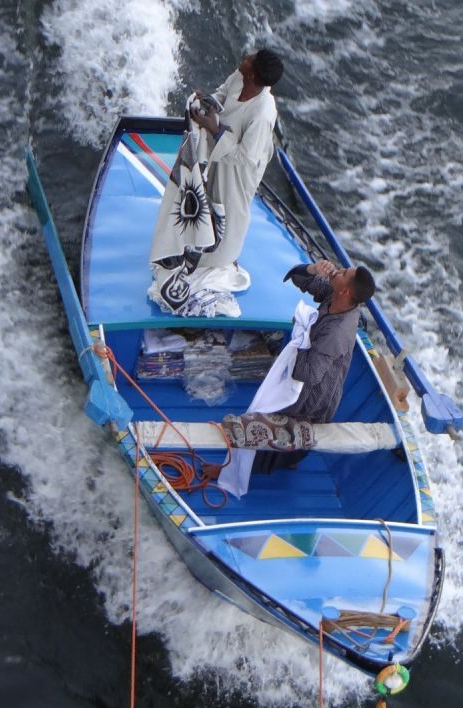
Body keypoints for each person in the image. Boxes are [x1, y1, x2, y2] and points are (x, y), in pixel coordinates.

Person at [217, 258, 378, 497]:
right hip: (309, 377)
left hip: (314, 400)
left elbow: (307, 375)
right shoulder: (335, 297)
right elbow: (297, 278)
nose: (338, 269)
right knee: (280, 430)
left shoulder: (337, 333)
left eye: (343, 272)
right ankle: (289, 458)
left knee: (259, 424)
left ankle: (237, 473)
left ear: (345, 290)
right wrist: (313, 270)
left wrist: (302, 335)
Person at [148, 47, 285, 314]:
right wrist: (206, 102)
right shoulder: (241, 75)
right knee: (205, 195)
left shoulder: (262, 114)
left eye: (250, 60)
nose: (245, 57)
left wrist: (213, 127)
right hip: (218, 152)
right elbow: (222, 93)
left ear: (254, 73)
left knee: (229, 209)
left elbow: (247, 157)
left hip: (239, 171)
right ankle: (195, 237)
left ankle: (221, 257)